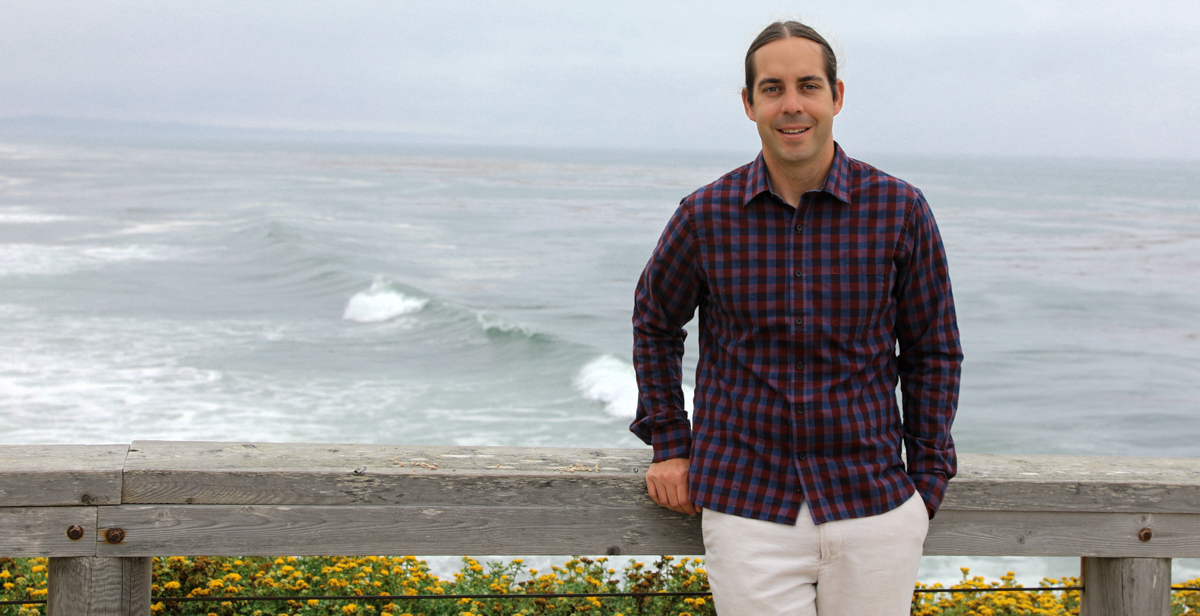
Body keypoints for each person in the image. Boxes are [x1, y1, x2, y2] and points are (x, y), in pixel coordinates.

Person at [630, 20, 963, 616]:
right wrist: (670, 445)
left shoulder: (899, 209)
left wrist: (928, 480)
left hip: (875, 505)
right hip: (747, 510)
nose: (792, 105)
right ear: (749, 104)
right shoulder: (706, 214)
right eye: (773, 88)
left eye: (808, 85)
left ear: (836, 96)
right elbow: (655, 323)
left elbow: (932, 349)